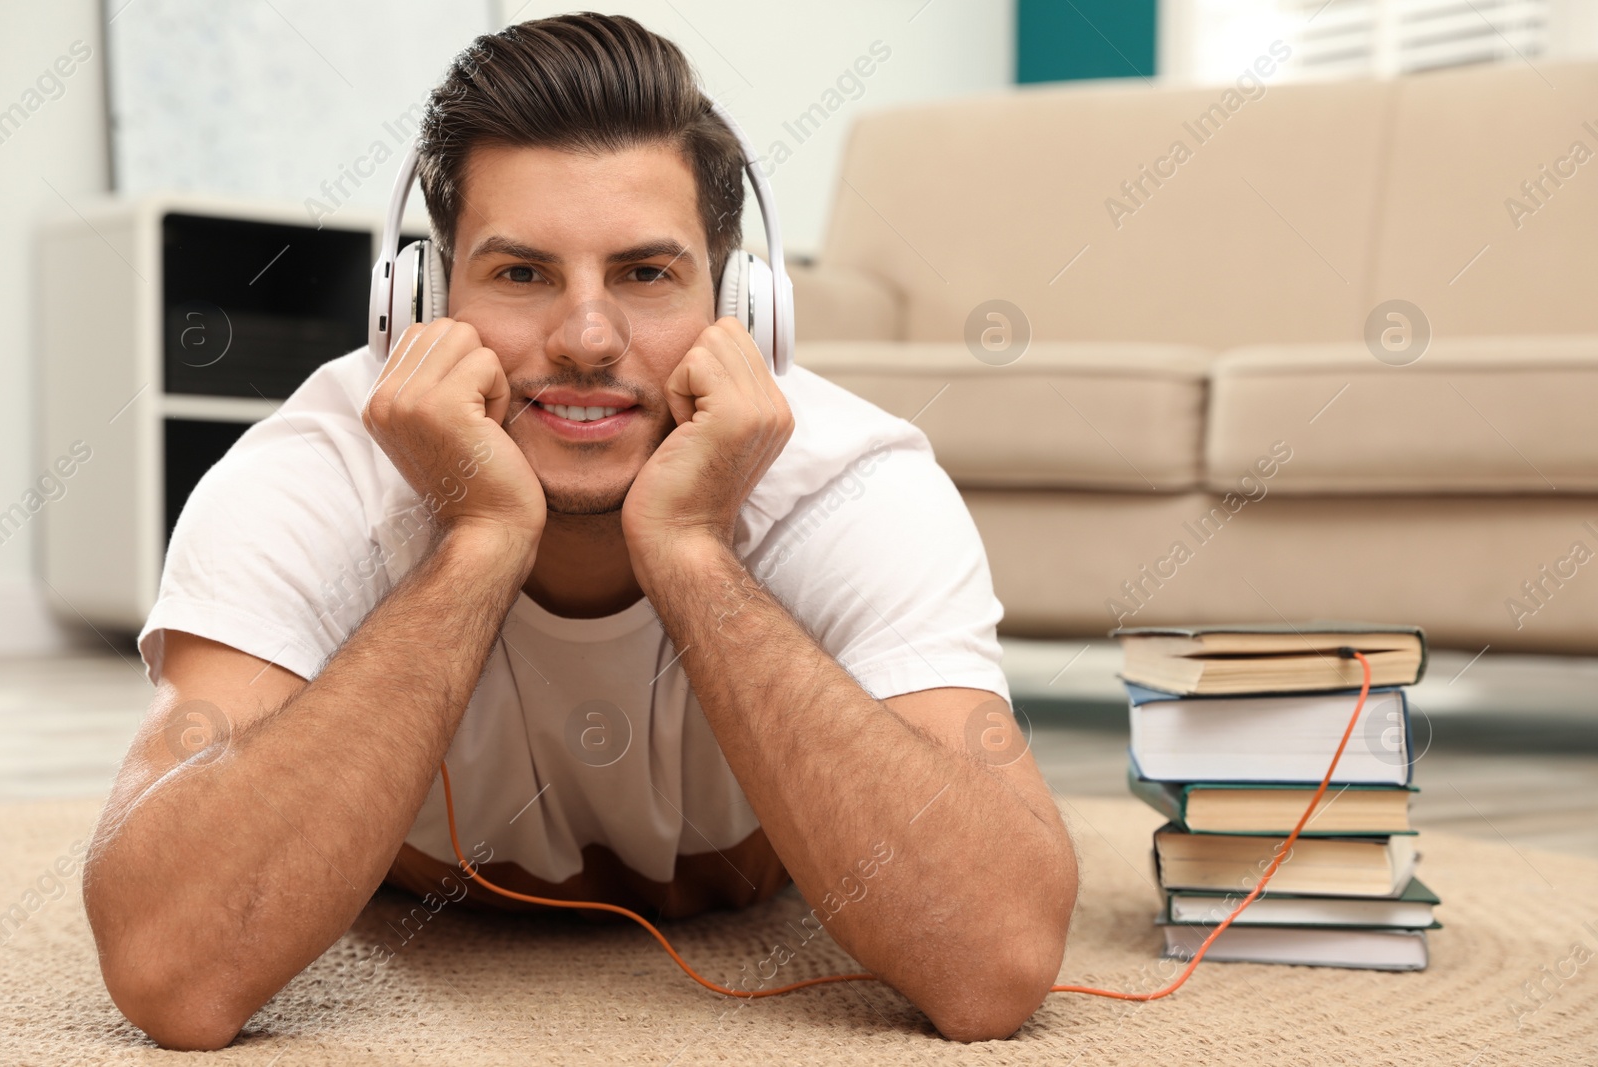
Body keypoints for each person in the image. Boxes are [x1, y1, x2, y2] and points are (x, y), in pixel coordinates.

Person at [82, 13, 1077, 1050]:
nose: (587, 339)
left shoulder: (854, 483)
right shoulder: (310, 476)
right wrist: (476, 541)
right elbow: (173, 972)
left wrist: (692, 546)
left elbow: (992, 966)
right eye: (520, 274)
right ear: (418, 302)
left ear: (744, 307)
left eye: (647, 274)